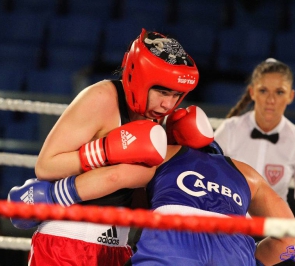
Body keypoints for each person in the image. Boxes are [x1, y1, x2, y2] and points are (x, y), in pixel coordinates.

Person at [10, 106, 295, 265]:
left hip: (173, 244)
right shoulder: (247, 173)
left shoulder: (163, 153)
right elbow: (293, 243)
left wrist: (51, 194)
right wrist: (245, 259)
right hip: (234, 248)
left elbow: (116, 177)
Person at [11, 28, 199, 266]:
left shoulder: (154, 118)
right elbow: (46, 166)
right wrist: (104, 151)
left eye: (176, 95)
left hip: (117, 246)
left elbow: (136, 199)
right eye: (162, 92)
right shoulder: (101, 98)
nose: (168, 104)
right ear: (140, 78)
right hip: (66, 242)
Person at [214, 58, 295, 265]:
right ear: (252, 92)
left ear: (291, 96)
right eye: (263, 91)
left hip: (278, 236)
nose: (271, 99)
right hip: (232, 231)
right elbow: (208, 177)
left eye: (279, 92)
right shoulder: (230, 130)